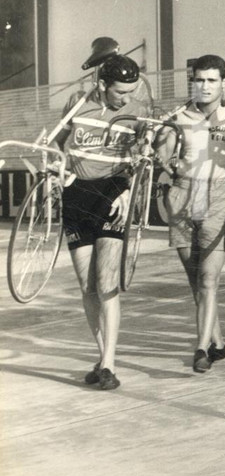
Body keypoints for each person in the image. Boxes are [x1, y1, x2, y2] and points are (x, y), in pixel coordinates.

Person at [156, 54, 225, 373]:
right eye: (199, 80)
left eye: (212, 80)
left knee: (209, 278)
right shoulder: (179, 116)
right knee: (194, 278)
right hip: (183, 195)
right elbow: (162, 158)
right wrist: (162, 146)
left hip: (220, 197)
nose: (205, 86)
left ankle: (200, 349)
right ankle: (218, 341)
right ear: (192, 82)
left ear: (223, 82)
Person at [54, 53, 146, 390]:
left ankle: (109, 363)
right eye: (121, 92)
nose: (126, 98)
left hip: (113, 194)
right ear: (103, 85)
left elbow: (143, 159)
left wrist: (128, 188)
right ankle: (101, 356)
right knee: (87, 287)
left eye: (131, 91)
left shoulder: (138, 111)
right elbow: (56, 144)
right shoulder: (77, 104)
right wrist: (58, 167)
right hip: (77, 195)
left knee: (106, 283)